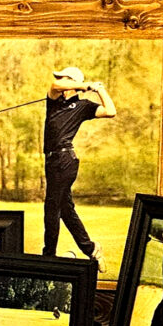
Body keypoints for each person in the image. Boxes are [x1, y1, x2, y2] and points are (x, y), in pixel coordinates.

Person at [43, 66, 116, 273]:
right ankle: (91, 249)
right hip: (51, 162)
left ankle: (48, 258)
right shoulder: (54, 100)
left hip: (65, 160)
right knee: (65, 209)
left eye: (64, 77)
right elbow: (55, 85)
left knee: (51, 207)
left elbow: (110, 111)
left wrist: (99, 89)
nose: (60, 81)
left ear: (72, 82)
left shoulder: (83, 106)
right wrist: (85, 85)